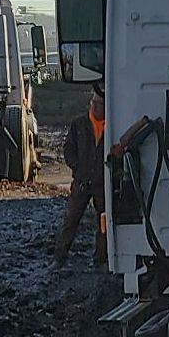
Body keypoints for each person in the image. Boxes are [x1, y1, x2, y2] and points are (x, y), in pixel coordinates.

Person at [54, 81, 106, 265]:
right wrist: (77, 167)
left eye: (100, 104)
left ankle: (101, 258)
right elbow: (68, 149)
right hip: (82, 181)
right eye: (94, 102)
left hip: (102, 183)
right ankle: (60, 256)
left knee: (103, 222)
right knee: (71, 220)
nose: (96, 107)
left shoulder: (112, 125)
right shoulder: (79, 124)